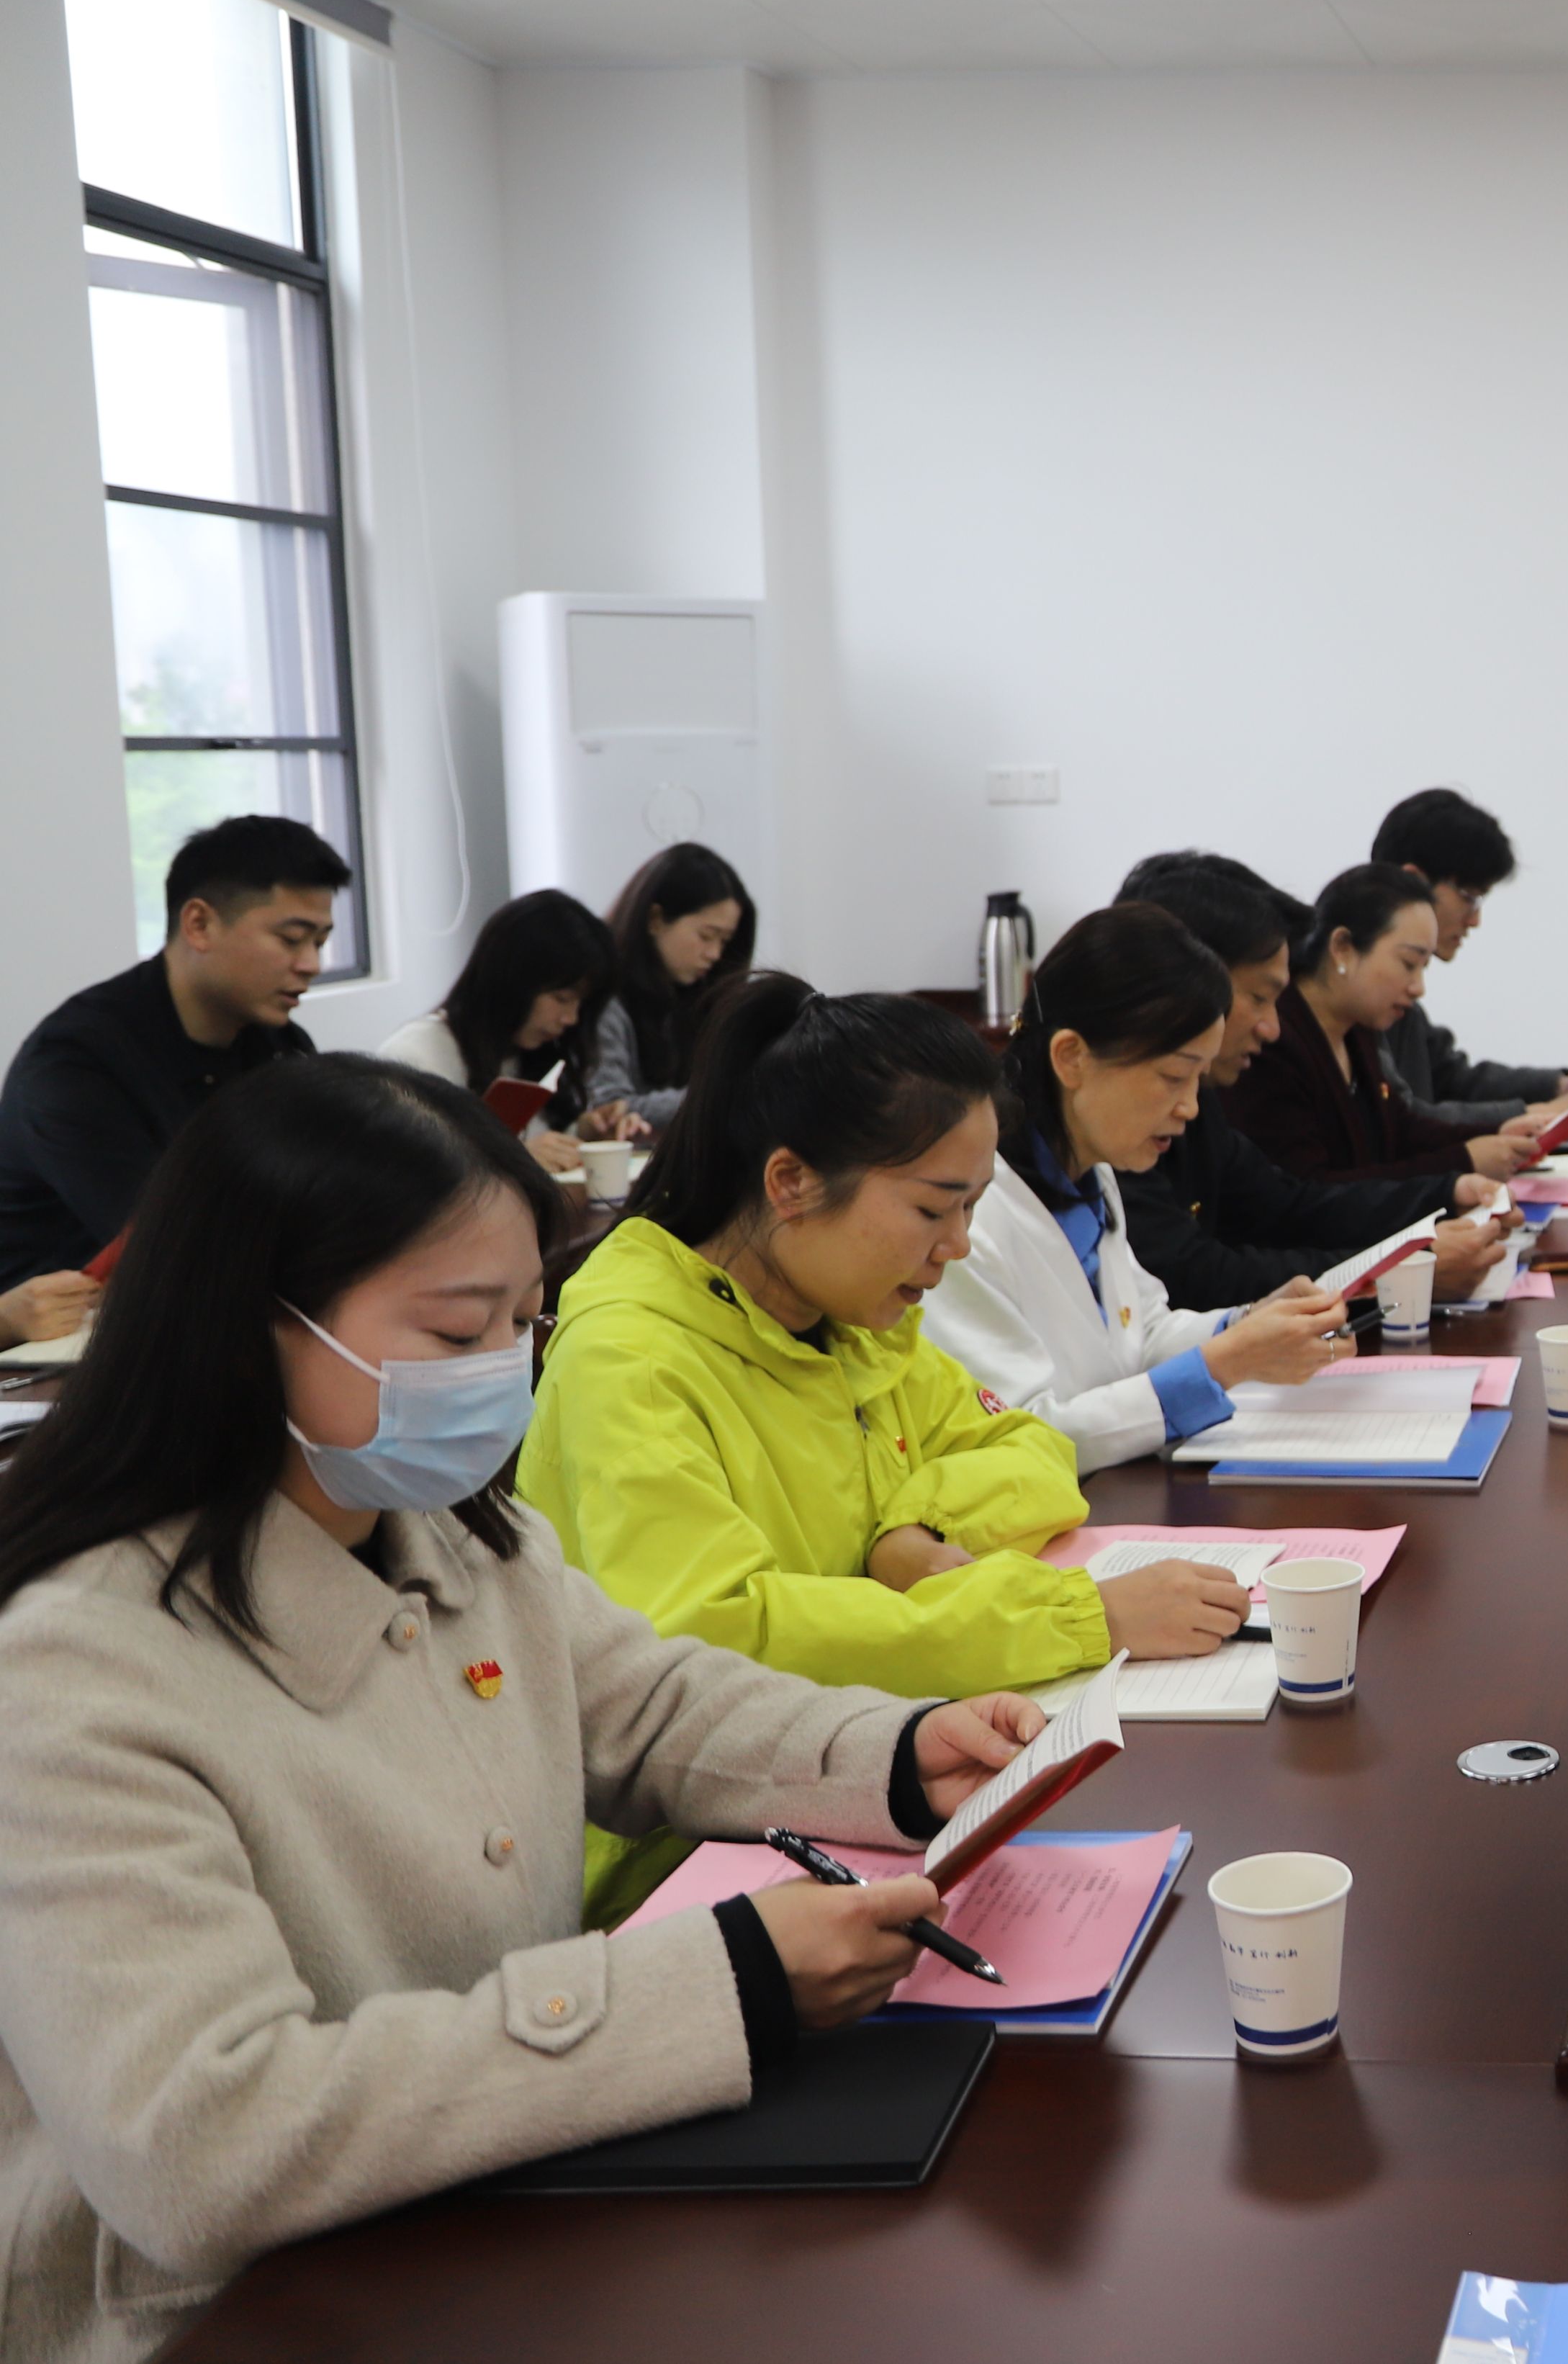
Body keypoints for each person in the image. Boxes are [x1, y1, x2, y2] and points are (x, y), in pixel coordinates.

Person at [0, 1054, 1048, 2363]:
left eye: (522, 1323)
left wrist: (895, 1754)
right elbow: (206, 2144)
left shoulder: (450, 1533)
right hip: (234, 2315)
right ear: (248, 1323)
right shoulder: (77, 1671)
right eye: (456, 1335)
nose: (502, 1370)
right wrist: (721, 1981)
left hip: (484, 2216)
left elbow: (654, 1706)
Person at [521, 976, 1248, 1916]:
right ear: (791, 1182)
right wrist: (1078, 1617)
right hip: (688, 1861)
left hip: (866, 1775)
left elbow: (1029, 1448)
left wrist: (913, 1530)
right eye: (934, 1208)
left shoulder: (853, 1321)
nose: (958, 1245)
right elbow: (721, 1637)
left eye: (973, 1207)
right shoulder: (633, 1362)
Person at [916, 905, 1359, 1476]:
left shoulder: (1091, 1173)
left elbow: (1139, 1333)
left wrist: (1245, 1326)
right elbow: (1019, 1437)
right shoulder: (966, 1214)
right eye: (1174, 1076)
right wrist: (1223, 1363)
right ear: (1071, 1057)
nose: (1190, 1107)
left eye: (1199, 1078)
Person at [1114, 854, 1522, 1310]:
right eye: (1259, 997)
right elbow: (1196, 1278)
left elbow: (1289, 1205)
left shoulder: (1202, 1099)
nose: (1272, 1028)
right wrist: (1395, 1274)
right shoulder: (1114, 1122)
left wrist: (1444, 1193)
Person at [0, 814, 341, 1287]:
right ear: (199, 924)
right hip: (77, 1323)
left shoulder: (280, 1046)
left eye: (320, 942)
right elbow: (171, 1248)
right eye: (291, 940)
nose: (311, 965)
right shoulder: (76, 1065)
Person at [1232, 867, 1546, 1187]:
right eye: (1408, 964)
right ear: (1342, 947)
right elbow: (1311, 1190)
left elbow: (1399, 1128)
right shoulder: (1274, 1040)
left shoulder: (1357, 1027)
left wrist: (1495, 1134)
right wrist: (1463, 1162)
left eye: (1423, 968)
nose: (1418, 988)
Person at [1368, 789, 1568, 1120]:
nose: (1475, 920)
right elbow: (1403, 1121)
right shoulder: (1356, 996)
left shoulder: (1397, 996)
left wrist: (1558, 1087)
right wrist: (1535, 1114)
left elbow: (1450, 1079)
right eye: (1469, 897)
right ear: (1413, 882)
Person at [375, 889, 634, 1175]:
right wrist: (514, 1161)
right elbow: (403, 1174)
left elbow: (536, 1138)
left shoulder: (530, 1053)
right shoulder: (417, 1057)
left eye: (581, 1004)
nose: (571, 1019)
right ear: (513, 981)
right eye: (561, 998)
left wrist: (585, 1133)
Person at [585, 842, 756, 1133]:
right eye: (707, 936)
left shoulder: (706, 994)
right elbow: (610, 1109)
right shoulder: (603, 997)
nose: (715, 954)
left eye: (725, 941)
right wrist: (724, 1095)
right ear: (655, 919)